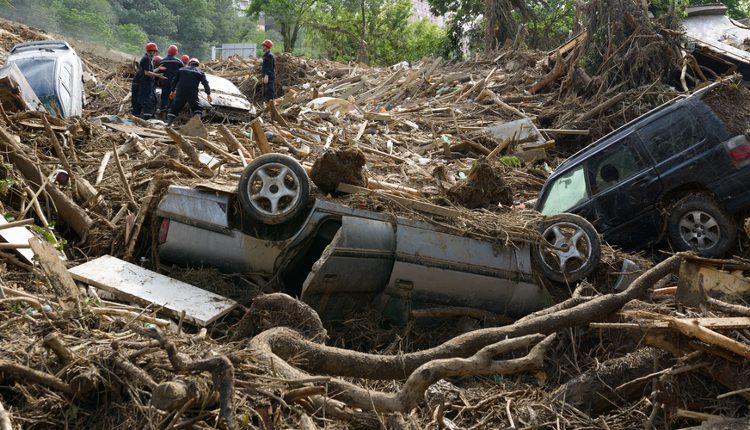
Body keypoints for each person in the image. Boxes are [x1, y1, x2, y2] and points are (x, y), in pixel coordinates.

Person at [167, 58, 212, 127]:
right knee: (197, 108)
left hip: (181, 92)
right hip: (192, 93)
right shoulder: (200, 72)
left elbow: (174, 81)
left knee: (175, 108)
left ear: (189, 63)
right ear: (197, 65)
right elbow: (205, 83)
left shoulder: (181, 69)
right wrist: (208, 94)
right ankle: (197, 126)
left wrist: (172, 91)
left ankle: (168, 125)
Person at [132, 42, 165, 119]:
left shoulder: (149, 59)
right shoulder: (146, 59)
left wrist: (158, 69)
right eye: (154, 51)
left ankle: (139, 116)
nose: (155, 53)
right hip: (140, 82)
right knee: (141, 99)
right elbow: (146, 72)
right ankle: (139, 116)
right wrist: (158, 75)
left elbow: (150, 70)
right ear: (152, 51)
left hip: (143, 82)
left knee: (142, 98)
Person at [157, 45, 183, 119]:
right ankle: (171, 112)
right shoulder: (178, 62)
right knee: (172, 97)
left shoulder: (162, 61)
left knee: (164, 95)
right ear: (176, 52)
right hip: (174, 83)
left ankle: (163, 109)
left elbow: (158, 72)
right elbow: (183, 72)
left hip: (164, 81)